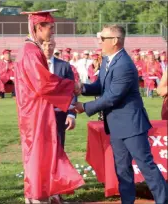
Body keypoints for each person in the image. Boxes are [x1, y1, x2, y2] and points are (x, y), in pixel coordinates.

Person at [74, 24, 168, 204]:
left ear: (115, 41)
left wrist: (85, 107)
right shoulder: (108, 60)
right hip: (116, 125)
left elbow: (112, 96)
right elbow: (101, 86)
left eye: (103, 39)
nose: (99, 41)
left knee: (146, 166)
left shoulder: (124, 64)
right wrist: (82, 88)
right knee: (122, 169)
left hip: (132, 125)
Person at [15, 10, 84, 204]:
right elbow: (43, 83)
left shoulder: (31, 50)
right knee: (39, 153)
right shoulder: (31, 52)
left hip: (36, 110)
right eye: (50, 28)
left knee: (43, 152)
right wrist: (71, 86)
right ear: (38, 28)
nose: (52, 32)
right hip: (35, 112)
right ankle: (38, 196)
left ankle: (42, 194)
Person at [42, 37, 77, 148]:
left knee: (59, 146)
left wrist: (71, 114)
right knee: (41, 147)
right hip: (39, 113)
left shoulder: (64, 66)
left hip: (59, 113)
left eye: (50, 45)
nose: (48, 48)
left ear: (54, 46)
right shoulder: (34, 65)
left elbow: (71, 90)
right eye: (45, 45)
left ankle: (58, 165)